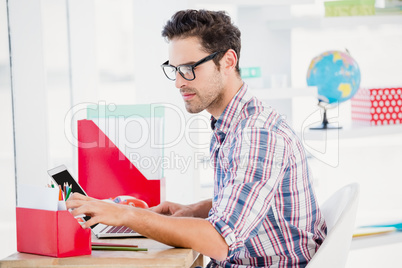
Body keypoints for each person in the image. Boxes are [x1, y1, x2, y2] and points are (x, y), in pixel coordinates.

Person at [67, 9, 327, 267]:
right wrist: (194, 210)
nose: (179, 83)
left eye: (189, 68)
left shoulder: (258, 134)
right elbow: (252, 199)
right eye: (176, 69)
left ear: (227, 61)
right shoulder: (233, 124)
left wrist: (126, 214)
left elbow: (219, 241)